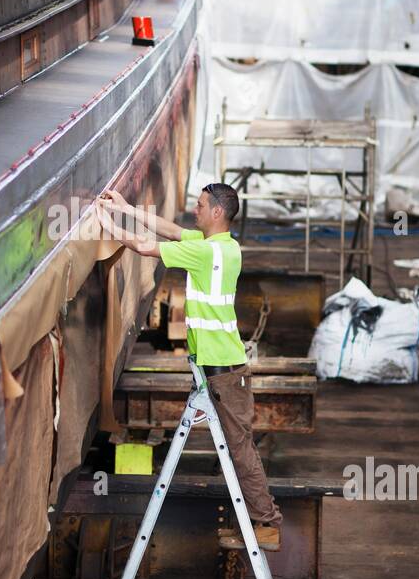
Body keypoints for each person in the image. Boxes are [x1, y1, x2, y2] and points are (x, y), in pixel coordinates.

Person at [97, 183, 282, 535]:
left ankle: (268, 523)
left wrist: (108, 225)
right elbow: (169, 230)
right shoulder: (222, 247)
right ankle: (264, 519)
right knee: (238, 447)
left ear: (216, 212)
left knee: (241, 450)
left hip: (223, 372)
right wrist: (125, 207)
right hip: (220, 368)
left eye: (199, 206)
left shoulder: (204, 253)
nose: (194, 211)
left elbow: (145, 246)